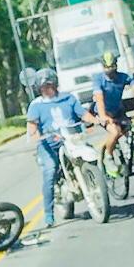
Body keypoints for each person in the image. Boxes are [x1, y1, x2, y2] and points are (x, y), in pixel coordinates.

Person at [26, 67, 101, 229]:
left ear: (55, 85)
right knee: (50, 171)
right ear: (39, 89)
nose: (47, 90)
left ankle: (97, 184)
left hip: (73, 139)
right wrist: (35, 136)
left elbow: (82, 114)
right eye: (43, 87)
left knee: (91, 156)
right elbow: (32, 127)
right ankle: (48, 214)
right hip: (50, 146)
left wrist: (96, 120)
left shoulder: (68, 98)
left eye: (49, 86)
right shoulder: (36, 105)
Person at [92, 51, 134, 176]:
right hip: (103, 113)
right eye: (107, 67)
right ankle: (108, 157)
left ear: (116, 66)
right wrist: (104, 117)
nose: (110, 70)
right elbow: (99, 99)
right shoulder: (98, 79)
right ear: (103, 67)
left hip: (119, 112)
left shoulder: (124, 77)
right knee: (115, 131)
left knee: (132, 134)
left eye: (112, 67)